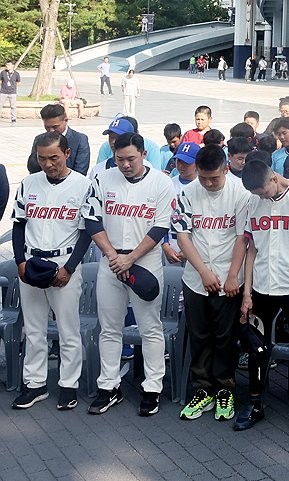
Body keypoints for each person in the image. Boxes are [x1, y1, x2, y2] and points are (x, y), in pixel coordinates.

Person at [83, 132, 176, 417]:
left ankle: (152, 387)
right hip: (111, 261)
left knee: (150, 327)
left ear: (143, 154)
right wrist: (113, 256)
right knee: (109, 327)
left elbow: (161, 227)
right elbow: (90, 218)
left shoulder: (161, 181)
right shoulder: (102, 178)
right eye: (119, 158)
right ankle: (109, 386)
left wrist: (131, 258)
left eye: (131, 159)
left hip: (145, 260)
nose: (125, 164)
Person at [235, 160, 289, 435]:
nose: (261, 197)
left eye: (263, 191)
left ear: (273, 178)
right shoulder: (253, 202)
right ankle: (256, 404)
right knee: (256, 348)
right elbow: (251, 250)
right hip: (262, 287)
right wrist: (246, 294)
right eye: (256, 194)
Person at [9, 132, 92, 411]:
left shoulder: (83, 185)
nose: (47, 163)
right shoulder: (29, 183)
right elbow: (19, 224)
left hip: (64, 263)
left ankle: (69, 385)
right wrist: (20, 260)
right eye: (42, 158)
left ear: (67, 154)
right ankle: (35, 384)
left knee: (68, 330)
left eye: (53, 157)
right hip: (32, 262)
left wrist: (69, 268)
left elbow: (87, 233)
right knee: (33, 329)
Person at [174, 145, 253, 422]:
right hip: (196, 277)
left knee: (225, 337)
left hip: (230, 277)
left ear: (226, 170)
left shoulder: (240, 195)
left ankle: (225, 388)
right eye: (203, 178)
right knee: (199, 335)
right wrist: (204, 273)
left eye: (214, 179)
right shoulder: (187, 193)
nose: (208, 184)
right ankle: (202, 388)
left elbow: (243, 237)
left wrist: (232, 275)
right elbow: (183, 236)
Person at [25, 103, 91, 175]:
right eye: (47, 127)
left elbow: (81, 171)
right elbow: (34, 168)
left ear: (65, 120)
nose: (51, 131)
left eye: (55, 127)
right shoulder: (39, 139)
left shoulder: (80, 140)